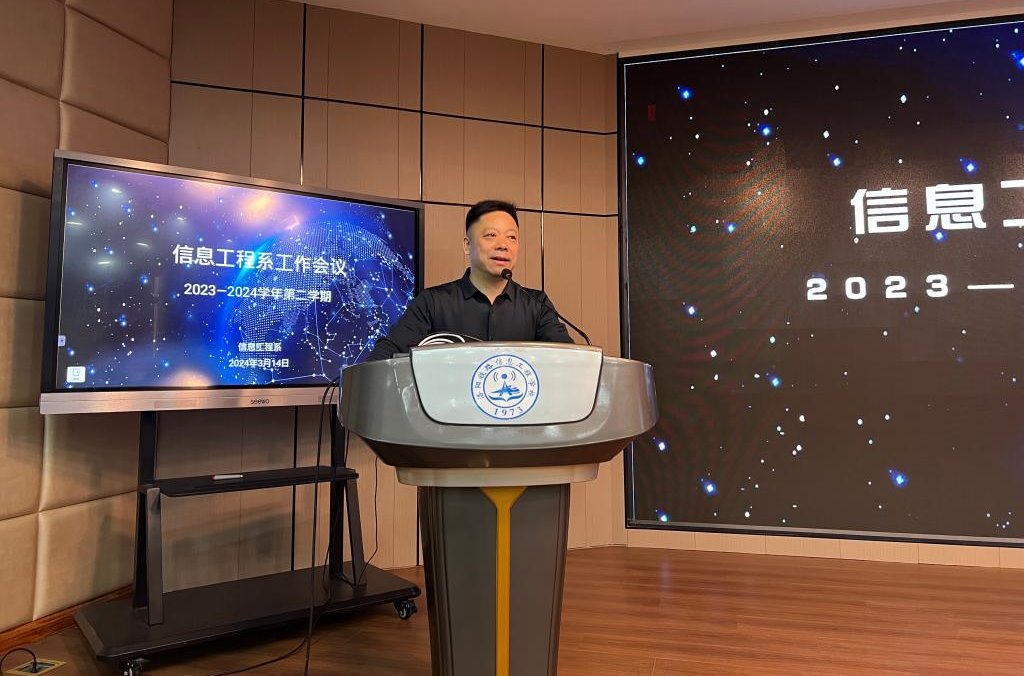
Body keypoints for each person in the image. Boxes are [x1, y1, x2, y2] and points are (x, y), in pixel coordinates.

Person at [367, 200, 573, 360]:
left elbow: (571, 359)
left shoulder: (537, 304)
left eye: (512, 237)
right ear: (467, 245)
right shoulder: (433, 303)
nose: (503, 245)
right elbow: (385, 354)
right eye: (491, 235)